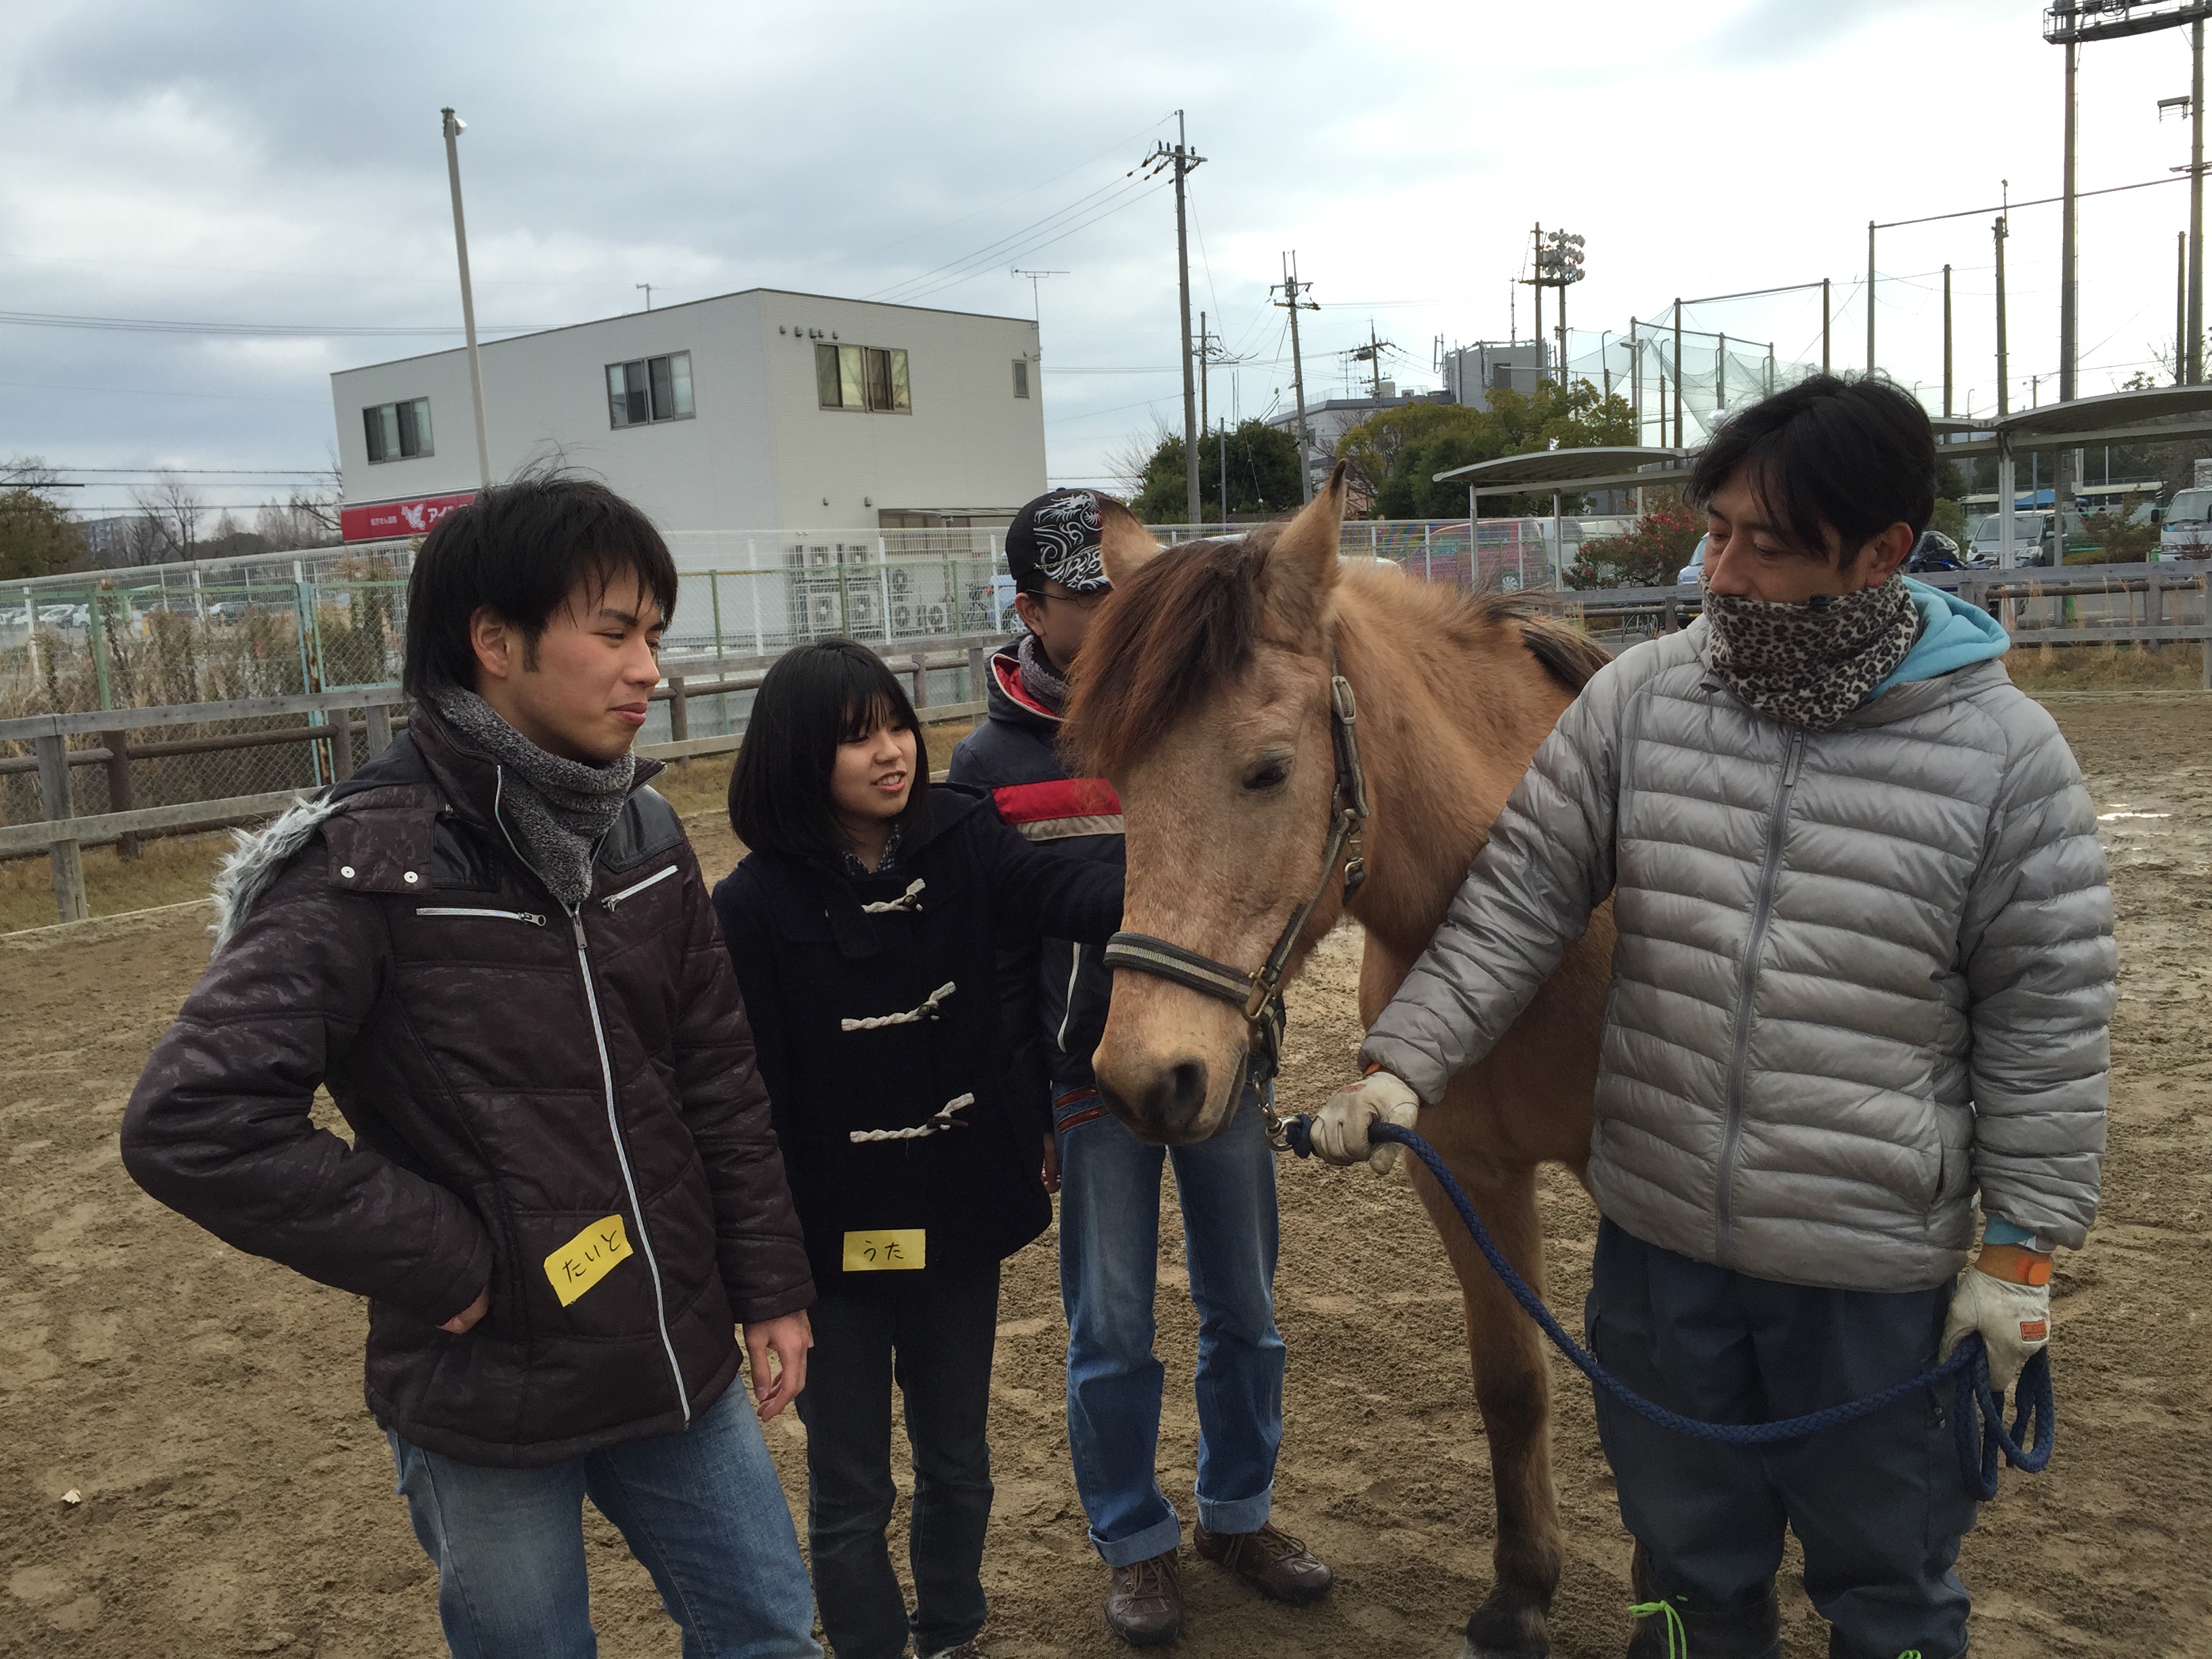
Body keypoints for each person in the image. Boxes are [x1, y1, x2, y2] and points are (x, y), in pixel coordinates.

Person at [1313, 375, 2114, 1659]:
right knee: (1684, 1572)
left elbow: (2050, 1018)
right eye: (1716, 530)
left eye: (1767, 544)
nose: (1722, 571)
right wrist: (1406, 1062)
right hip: (1664, 1245)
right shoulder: (1642, 702)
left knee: (1888, 1580)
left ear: (1883, 555)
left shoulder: (2007, 757)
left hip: (1867, 1266)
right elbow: (1521, 897)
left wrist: (2023, 1247)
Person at [121, 476, 823, 1659]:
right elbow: (194, 1119)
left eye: (654, 634)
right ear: (492, 641)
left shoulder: (642, 832)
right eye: (612, 633)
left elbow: (717, 1080)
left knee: (768, 1633)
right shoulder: (367, 861)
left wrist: (770, 1284)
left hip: (674, 1350)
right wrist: (445, 1253)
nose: (648, 668)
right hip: (483, 1389)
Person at [948, 491, 1333, 1649]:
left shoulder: (1197, 708)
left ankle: (1238, 1512)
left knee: (1247, 1309)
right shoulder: (992, 759)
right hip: (1087, 1078)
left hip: (1221, 1067)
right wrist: (1031, 1104)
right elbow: (995, 957)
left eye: (1127, 596)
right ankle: (1132, 1539)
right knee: (1110, 1326)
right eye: (1088, 600)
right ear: (1031, 609)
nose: (1121, 617)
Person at [714, 638, 1123, 1659]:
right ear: (798, 759)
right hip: (832, 1243)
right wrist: (764, 1264)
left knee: (960, 1462)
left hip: (956, 1209)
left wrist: (1182, 868)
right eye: (858, 740)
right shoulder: (752, 906)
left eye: (897, 725)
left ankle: (953, 1632)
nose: (892, 753)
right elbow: (746, 1096)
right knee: (852, 1487)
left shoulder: (963, 838)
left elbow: (1068, 903)